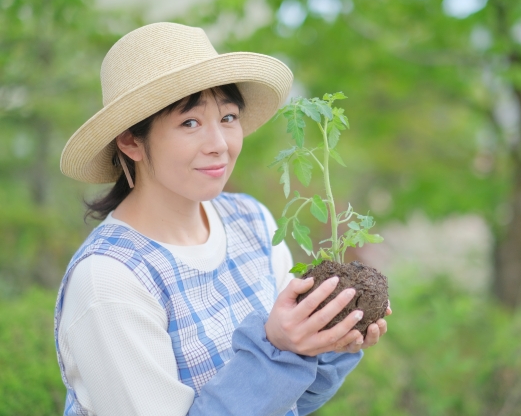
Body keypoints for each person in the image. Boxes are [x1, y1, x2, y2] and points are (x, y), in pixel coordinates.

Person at [54, 22, 390, 416]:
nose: (220, 145)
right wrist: (278, 349)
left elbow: (292, 400)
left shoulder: (250, 219)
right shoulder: (110, 280)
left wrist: (327, 344)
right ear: (131, 141)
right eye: (190, 123)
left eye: (228, 117)